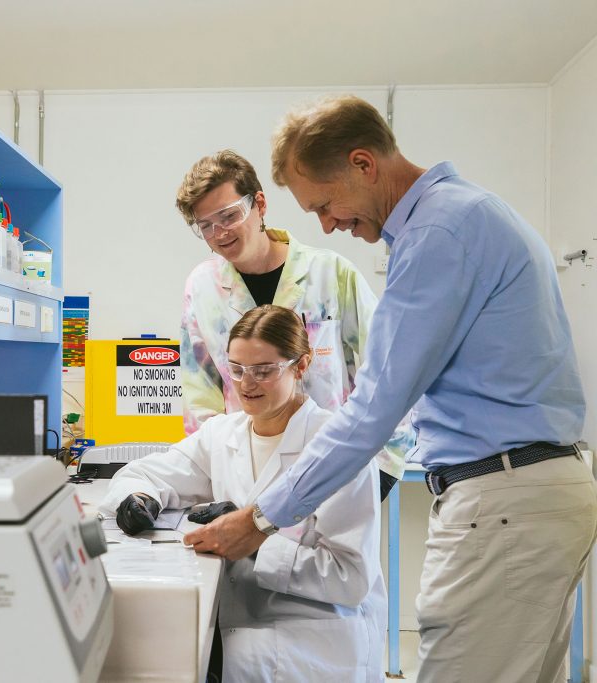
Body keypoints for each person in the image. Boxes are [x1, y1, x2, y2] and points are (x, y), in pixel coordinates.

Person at [183, 95, 596, 683]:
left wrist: (260, 518)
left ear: (363, 163)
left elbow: (375, 405)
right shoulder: (467, 215)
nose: (327, 224)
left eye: (325, 204)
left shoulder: (437, 234)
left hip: (503, 504)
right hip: (527, 493)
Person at [101, 305, 386, 683]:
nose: (246, 383)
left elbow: (349, 579)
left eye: (264, 371)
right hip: (241, 627)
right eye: (236, 369)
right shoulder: (224, 435)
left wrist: (251, 540)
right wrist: (138, 497)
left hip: (315, 638)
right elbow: (143, 472)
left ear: (300, 366)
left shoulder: (337, 448)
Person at [176, 150, 411, 501]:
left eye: (228, 216)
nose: (219, 234)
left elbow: (391, 373)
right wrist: (216, 481)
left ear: (259, 204)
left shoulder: (330, 275)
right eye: (205, 226)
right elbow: (200, 397)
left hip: (332, 474)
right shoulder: (203, 288)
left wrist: (382, 473)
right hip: (246, 481)